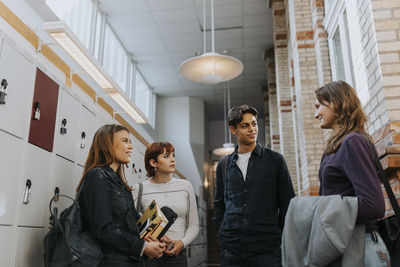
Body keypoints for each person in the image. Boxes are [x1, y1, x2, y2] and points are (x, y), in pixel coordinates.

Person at [314, 80, 390, 266]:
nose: (316, 114)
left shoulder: (352, 142)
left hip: (361, 248)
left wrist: (326, 212)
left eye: (319, 106)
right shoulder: (338, 145)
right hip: (346, 245)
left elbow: (374, 206)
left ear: (336, 103)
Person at [213, 104, 295, 267]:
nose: (252, 129)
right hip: (232, 250)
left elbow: (288, 203)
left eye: (254, 124)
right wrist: (223, 231)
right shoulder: (223, 164)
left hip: (267, 250)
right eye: (245, 126)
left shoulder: (275, 160)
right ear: (233, 129)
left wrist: (278, 235)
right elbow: (219, 204)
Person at [76, 124, 165, 267]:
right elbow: (103, 230)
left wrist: (149, 237)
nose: (130, 147)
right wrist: (142, 247)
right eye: (125, 141)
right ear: (108, 144)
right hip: (108, 261)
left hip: (128, 259)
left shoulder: (121, 184)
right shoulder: (96, 176)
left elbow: (130, 224)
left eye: (130, 142)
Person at [132, 142, 199, 267]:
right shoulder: (139, 189)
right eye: (166, 156)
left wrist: (182, 244)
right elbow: (131, 225)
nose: (172, 159)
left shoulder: (185, 186)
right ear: (153, 163)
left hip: (178, 256)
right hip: (150, 256)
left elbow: (194, 225)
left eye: (173, 155)